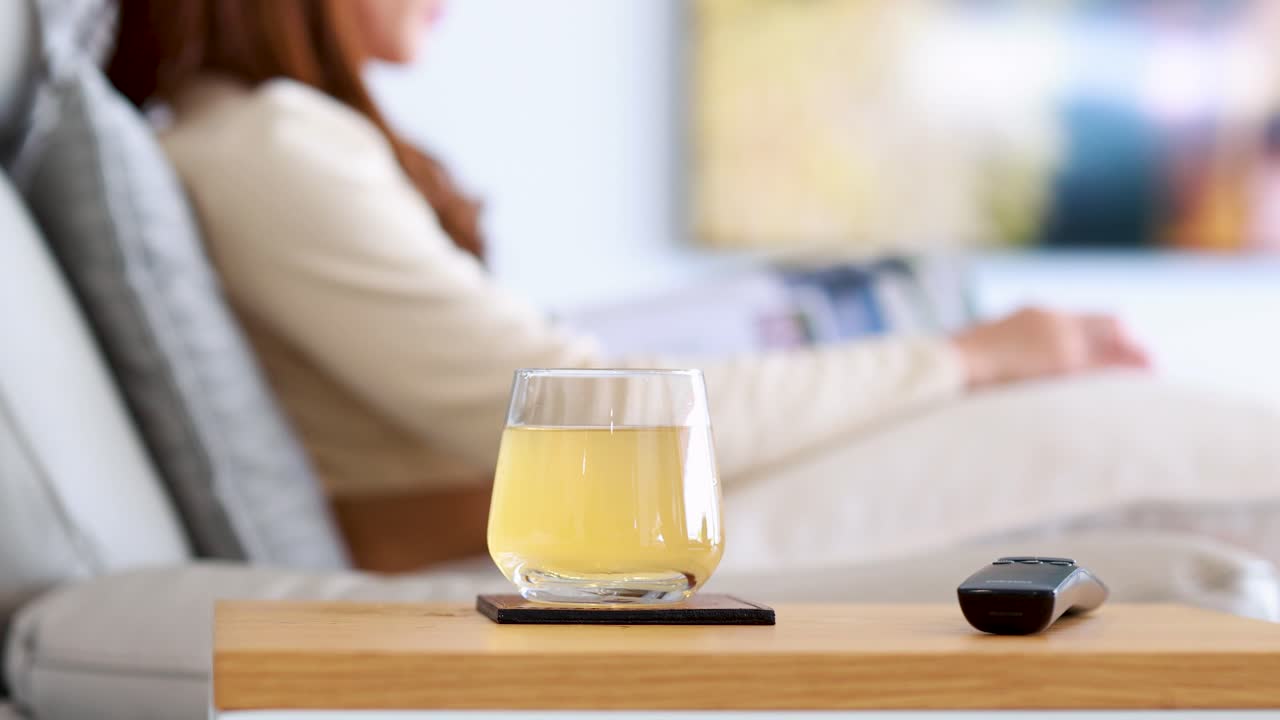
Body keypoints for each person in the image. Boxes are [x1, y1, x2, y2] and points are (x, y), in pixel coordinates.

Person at [107, 0, 1150, 572]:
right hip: (515, 528)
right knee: (1134, 449)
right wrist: (971, 357)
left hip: (518, 511)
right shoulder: (269, 147)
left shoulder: (269, 140)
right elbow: (573, 407)